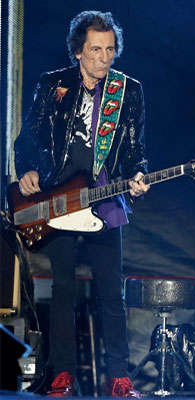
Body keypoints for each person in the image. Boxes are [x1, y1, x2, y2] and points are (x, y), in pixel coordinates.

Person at [14, 11, 149, 398]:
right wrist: (28, 169)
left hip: (104, 197)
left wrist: (138, 174)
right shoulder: (52, 84)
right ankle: (62, 375)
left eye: (110, 49)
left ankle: (118, 377)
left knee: (112, 291)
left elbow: (136, 149)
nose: (104, 58)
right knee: (63, 288)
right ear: (77, 51)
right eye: (95, 50)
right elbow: (27, 139)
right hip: (59, 197)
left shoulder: (128, 91)